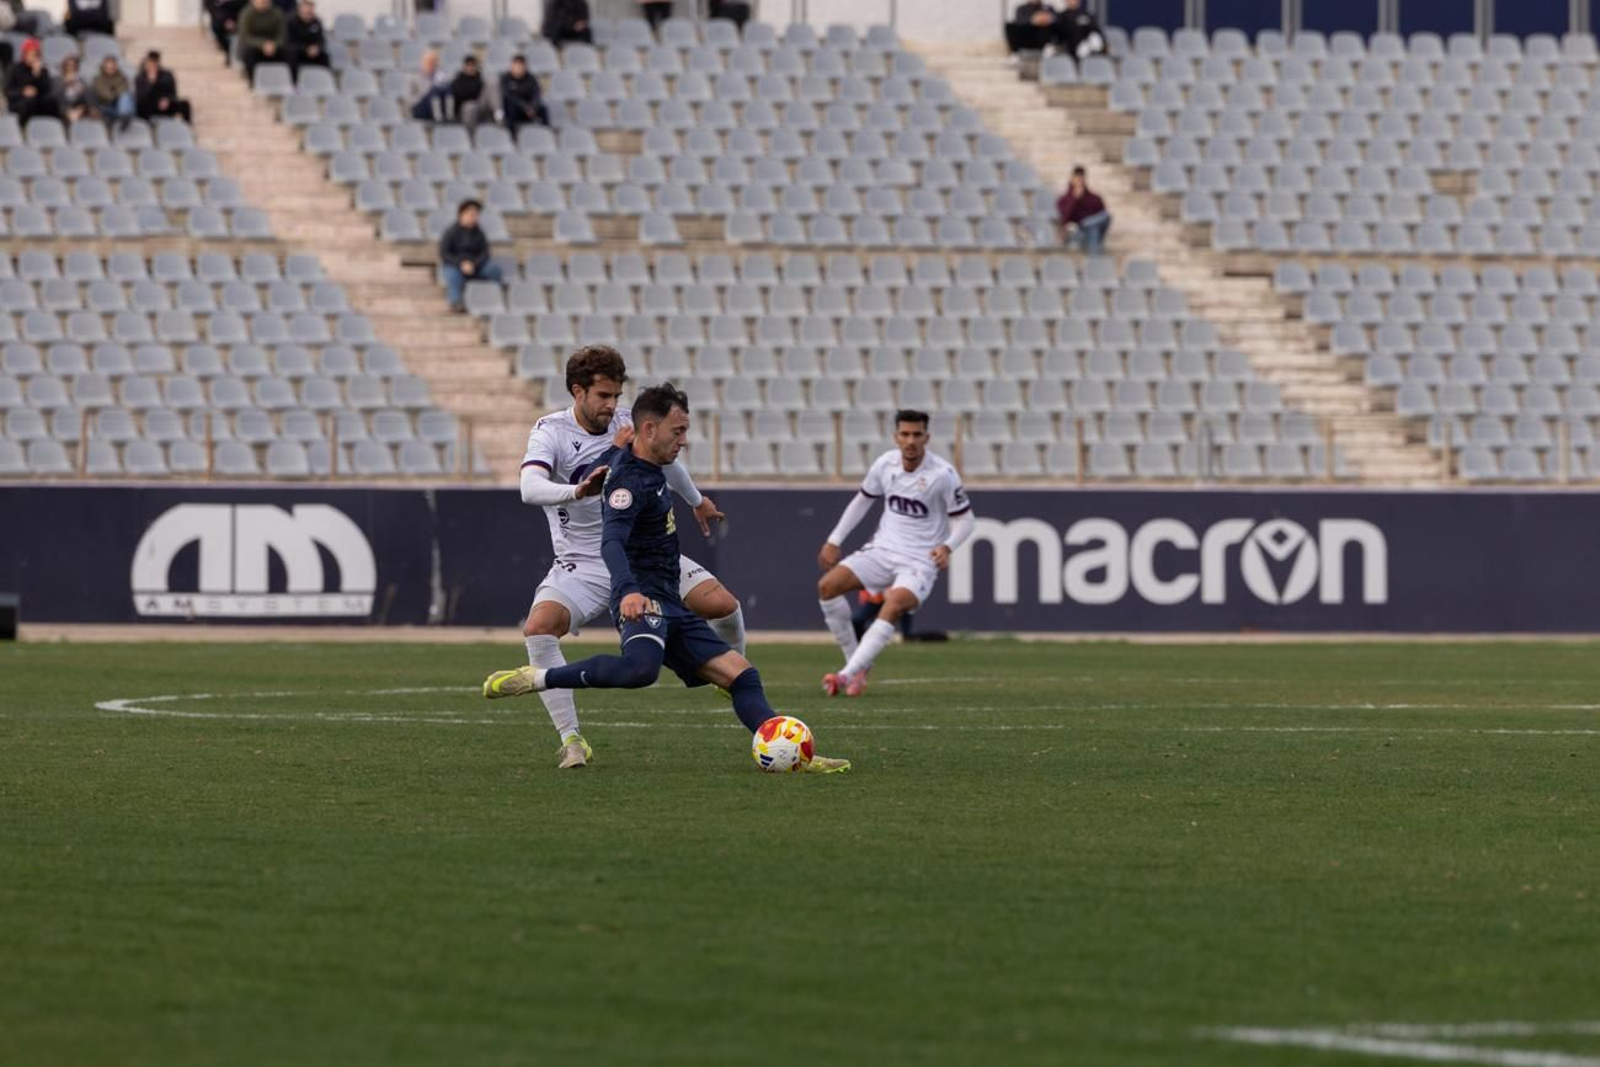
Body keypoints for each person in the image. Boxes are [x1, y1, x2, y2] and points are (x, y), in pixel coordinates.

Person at [484, 382, 851, 775]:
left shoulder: (652, 470)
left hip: (670, 600)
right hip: (645, 598)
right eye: (678, 431)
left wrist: (696, 501)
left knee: (743, 675)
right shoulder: (627, 483)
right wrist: (627, 591)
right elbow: (611, 542)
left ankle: (796, 755)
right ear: (648, 431)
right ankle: (538, 677)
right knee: (641, 670)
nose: (684, 441)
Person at [480, 348, 754, 770]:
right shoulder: (550, 431)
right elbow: (528, 489)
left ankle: (728, 676)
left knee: (724, 605)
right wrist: (577, 491)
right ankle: (572, 740)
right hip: (583, 560)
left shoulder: (629, 423)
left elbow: (666, 462)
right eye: (603, 395)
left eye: (616, 394)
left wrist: (696, 501)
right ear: (578, 391)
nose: (611, 404)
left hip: (643, 555)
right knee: (539, 628)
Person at [816, 410, 975, 697]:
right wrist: (834, 539)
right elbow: (862, 502)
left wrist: (947, 546)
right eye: (905, 434)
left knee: (894, 602)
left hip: (919, 560)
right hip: (882, 550)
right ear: (896, 437)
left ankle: (845, 675)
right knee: (827, 587)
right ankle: (857, 666)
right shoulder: (885, 464)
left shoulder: (943, 475)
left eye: (916, 435)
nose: (910, 441)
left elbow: (966, 519)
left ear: (927, 437)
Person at [437, 199, 506, 312]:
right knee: (453, 276)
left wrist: (474, 264)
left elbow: (485, 254)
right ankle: (456, 302)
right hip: (455, 266)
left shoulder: (480, 233)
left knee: (494, 270)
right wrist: (461, 264)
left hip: (476, 267)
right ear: (462, 214)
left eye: (476, 215)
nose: (475, 217)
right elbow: (444, 254)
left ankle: (494, 298)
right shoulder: (450, 232)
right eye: (472, 214)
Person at [5, 39, 62, 127]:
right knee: (29, 102)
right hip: (20, 101)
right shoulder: (15, 69)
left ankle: (54, 127)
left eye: (37, 55)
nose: (35, 57)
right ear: (25, 54)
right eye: (32, 54)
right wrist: (22, 92)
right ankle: (22, 129)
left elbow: (46, 89)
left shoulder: (42, 70)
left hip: (38, 100)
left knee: (52, 102)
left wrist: (37, 74)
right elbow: (8, 91)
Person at [1056, 165, 1112, 253]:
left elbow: (1102, 218)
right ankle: (1086, 224)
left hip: (1090, 231)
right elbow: (1065, 219)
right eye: (1077, 176)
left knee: (1104, 218)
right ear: (1072, 178)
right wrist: (1075, 199)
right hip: (1077, 233)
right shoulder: (1064, 200)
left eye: (1081, 176)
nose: (1079, 179)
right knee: (1094, 231)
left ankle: (1087, 224)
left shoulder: (1094, 198)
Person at [236, 0, 286, 82]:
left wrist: (274, 45)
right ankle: (253, 80)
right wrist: (263, 44)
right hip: (254, 45)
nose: (264, 3)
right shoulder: (246, 14)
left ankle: (287, 81)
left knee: (289, 52)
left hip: (273, 45)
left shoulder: (277, 13)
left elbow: (282, 35)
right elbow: (245, 36)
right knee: (248, 52)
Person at [135, 51, 192, 123]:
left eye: (155, 63)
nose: (153, 65)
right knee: (140, 106)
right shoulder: (141, 77)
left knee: (185, 104)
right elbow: (141, 98)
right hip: (150, 106)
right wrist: (151, 83)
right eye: (151, 62)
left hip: (165, 104)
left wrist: (168, 100)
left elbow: (173, 93)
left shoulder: (167, 75)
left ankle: (187, 127)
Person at [498, 54, 547, 135]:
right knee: (510, 106)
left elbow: (537, 94)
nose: (518, 69)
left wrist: (533, 107)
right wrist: (525, 107)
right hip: (516, 109)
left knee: (543, 109)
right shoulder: (505, 79)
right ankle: (512, 136)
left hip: (529, 110)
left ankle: (546, 133)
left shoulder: (531, 79)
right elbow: (508, 96)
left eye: (521, 66)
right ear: (512, 66)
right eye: (516, 66)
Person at [284, 0, 329, 75]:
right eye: (306, 12)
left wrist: (317, 48)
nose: (309, 14)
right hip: (299, 51)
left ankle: (324, 78)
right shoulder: (291, 22)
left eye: (310, 12)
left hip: (313, 51)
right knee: (290, 54)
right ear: (300, 10)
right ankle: (294, 82)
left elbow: (321, 40)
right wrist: (305, 49)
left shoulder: (317, 22)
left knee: (325, 56)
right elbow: (289, 42)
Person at [90, 54, 133, 128]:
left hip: (120, 106)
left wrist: (114, 94)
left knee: (126, 96)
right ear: (104, 66)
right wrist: (114, 94)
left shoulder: (122, 78)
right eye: (109, 66)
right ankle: (120, 118)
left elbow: (123, 90)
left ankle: (124, 117)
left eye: (113, 65)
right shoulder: (98, 80)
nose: (111, 68)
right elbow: (104, 93)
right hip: (106, 107)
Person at [448, 54, 489, 130]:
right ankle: (469, 136)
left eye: (473, 65)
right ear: (464, 67)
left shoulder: (480, 80)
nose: (470, 68)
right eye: (468, 65)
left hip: (478, 108)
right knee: (469, 107)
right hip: (462, 109)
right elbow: (459, 94)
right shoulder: (458, 80)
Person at [409, 48, 451, 121]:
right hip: (420, 108)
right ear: (423, 62)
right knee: (434, 90)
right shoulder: (413, 78)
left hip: (437, 107)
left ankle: (449, 115)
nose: (431, 64)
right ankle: (439, 118)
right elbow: (410, 100)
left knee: (447, 88)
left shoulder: (441, 76)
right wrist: (427, 95)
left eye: (433, 62)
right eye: (428, 62)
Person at [57, 53, 87, 122]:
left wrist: (79, 88)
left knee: (88, 93)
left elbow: (83, 98)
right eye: (68, 65)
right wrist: (65, 84)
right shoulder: (58, 79)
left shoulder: (80, 81)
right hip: (64, 107)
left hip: (77, 106)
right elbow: (56, 96)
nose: (71, 68)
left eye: (74, 66)